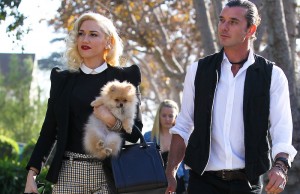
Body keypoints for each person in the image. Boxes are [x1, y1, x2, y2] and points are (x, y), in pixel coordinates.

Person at [165, 1, 297, 194]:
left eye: (233, 22)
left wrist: (281, 166)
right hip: (202, 182)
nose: (224, 27)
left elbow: (282, 128)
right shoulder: (198, 71)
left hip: (247, 183)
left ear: (250, 29)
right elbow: (184, 125)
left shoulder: (272, 75)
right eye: (221, 20)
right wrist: (171, 172)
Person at [24, 12, 143, 194]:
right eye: (81, 33)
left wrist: (111, 120)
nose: (84, 39)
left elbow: (135, 133)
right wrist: (32, 174)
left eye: (93, 34)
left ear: (108, 42)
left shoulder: (125, 78)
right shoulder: (62, 80)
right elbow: (49, 131)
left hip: (110, 176)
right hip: (69, 173)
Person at [144, 99, 188, 194]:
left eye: (170, 116)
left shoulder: (182, 137)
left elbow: (186, 164)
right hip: (155, 183)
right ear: (158, 116)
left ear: (176, 117)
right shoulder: (148, 137)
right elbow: (144, 164)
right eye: (164, 115)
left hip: (178, 183)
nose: (167, 119)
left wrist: (187, 185)